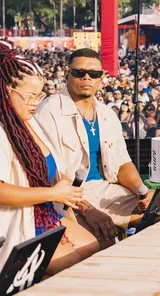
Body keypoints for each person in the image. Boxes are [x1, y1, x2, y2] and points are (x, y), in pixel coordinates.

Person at [35, 48, 160, 248]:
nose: (86, 78)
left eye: (93, 74)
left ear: (101, 78)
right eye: (79, 72)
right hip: (72, 197)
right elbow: (55, 176)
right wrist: (88, 209)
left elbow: (122, 164)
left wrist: (143, 193)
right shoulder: (50, 111)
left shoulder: (106, 114)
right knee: (101, 242)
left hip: (108, 190)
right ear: (67, 73)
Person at [0, 42, 100, 274]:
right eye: (29, 96)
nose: (36, 102)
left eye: (40, 95)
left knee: (94, 248)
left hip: (43, 214)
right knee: (76, 266)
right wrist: (52, 193)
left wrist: (62, 185)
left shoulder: (28, 121)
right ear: (5, 91)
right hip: (17, 222)